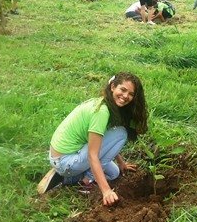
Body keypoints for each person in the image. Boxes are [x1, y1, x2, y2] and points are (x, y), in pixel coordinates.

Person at [37, 73, 149, 206]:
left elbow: (105, 141)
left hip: (68, 155)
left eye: (131, 94)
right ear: (113, 86)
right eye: (123, 90)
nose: (125, 96)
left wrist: (121, 163)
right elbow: (92, 155)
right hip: (65, 160)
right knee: (121, 133)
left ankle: (65, 178)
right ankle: (86, 181)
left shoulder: (103, 103)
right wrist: (106, 191)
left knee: (114, 173)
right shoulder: (101, 112)